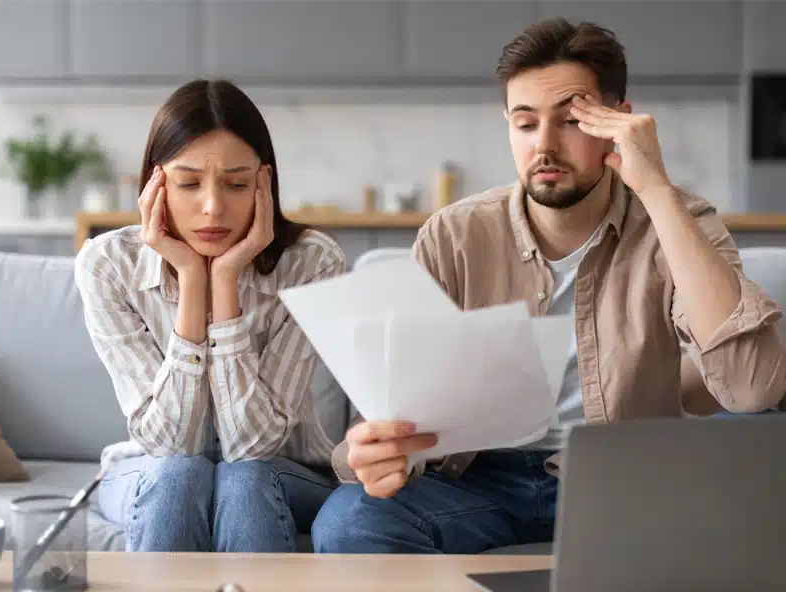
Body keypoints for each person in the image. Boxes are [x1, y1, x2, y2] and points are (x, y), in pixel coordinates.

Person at [312, 18, 786, 554]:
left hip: (624, 483)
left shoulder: (679, 221)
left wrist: (654, 186)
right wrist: (376, 453)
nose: (545, 146)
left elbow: (751, 389)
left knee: (744, 516)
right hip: (479, 484)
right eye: (525, 123)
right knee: (350, 522)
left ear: (618, 123)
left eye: (571, 121)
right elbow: (393, 409)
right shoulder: (454, 234)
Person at [74, 79, 346, 552]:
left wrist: (225, 282)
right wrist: (190, 279)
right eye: (188, 183)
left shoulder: (312, 263)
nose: (213, 206)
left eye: (237, 184)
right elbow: (170, 443)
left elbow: (254, 445)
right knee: (179, 475)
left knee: (244, 481)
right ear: (154, 184)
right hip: (152, 466)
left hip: (286, 469)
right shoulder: (107, 264)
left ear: (265, 182)